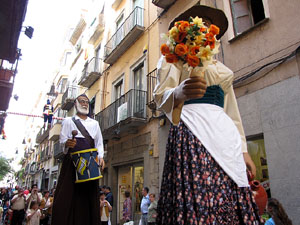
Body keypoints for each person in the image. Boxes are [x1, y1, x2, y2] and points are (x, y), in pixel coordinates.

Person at [153, 4, 261, 224]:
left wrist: (243, 150)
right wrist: (179, 93)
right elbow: (161, 96)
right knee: (198, 187)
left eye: (210, 28)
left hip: (226, 136)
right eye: (201, 26)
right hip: (192, 132)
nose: (207, 30)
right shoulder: (173, 59)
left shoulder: (221, 70)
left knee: (227, 187)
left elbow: (232, 111)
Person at [51, 93, 105, 225]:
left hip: (90, 162)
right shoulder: (68, 121)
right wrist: (67, 144)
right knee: (67, 195)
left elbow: (99, 143)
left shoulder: (95, 123)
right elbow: (63, 140)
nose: (85, 103)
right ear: (76, 104)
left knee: (89, 197)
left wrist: (101, 157)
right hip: (72, 162)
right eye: (82, 101)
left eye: (87, 101)